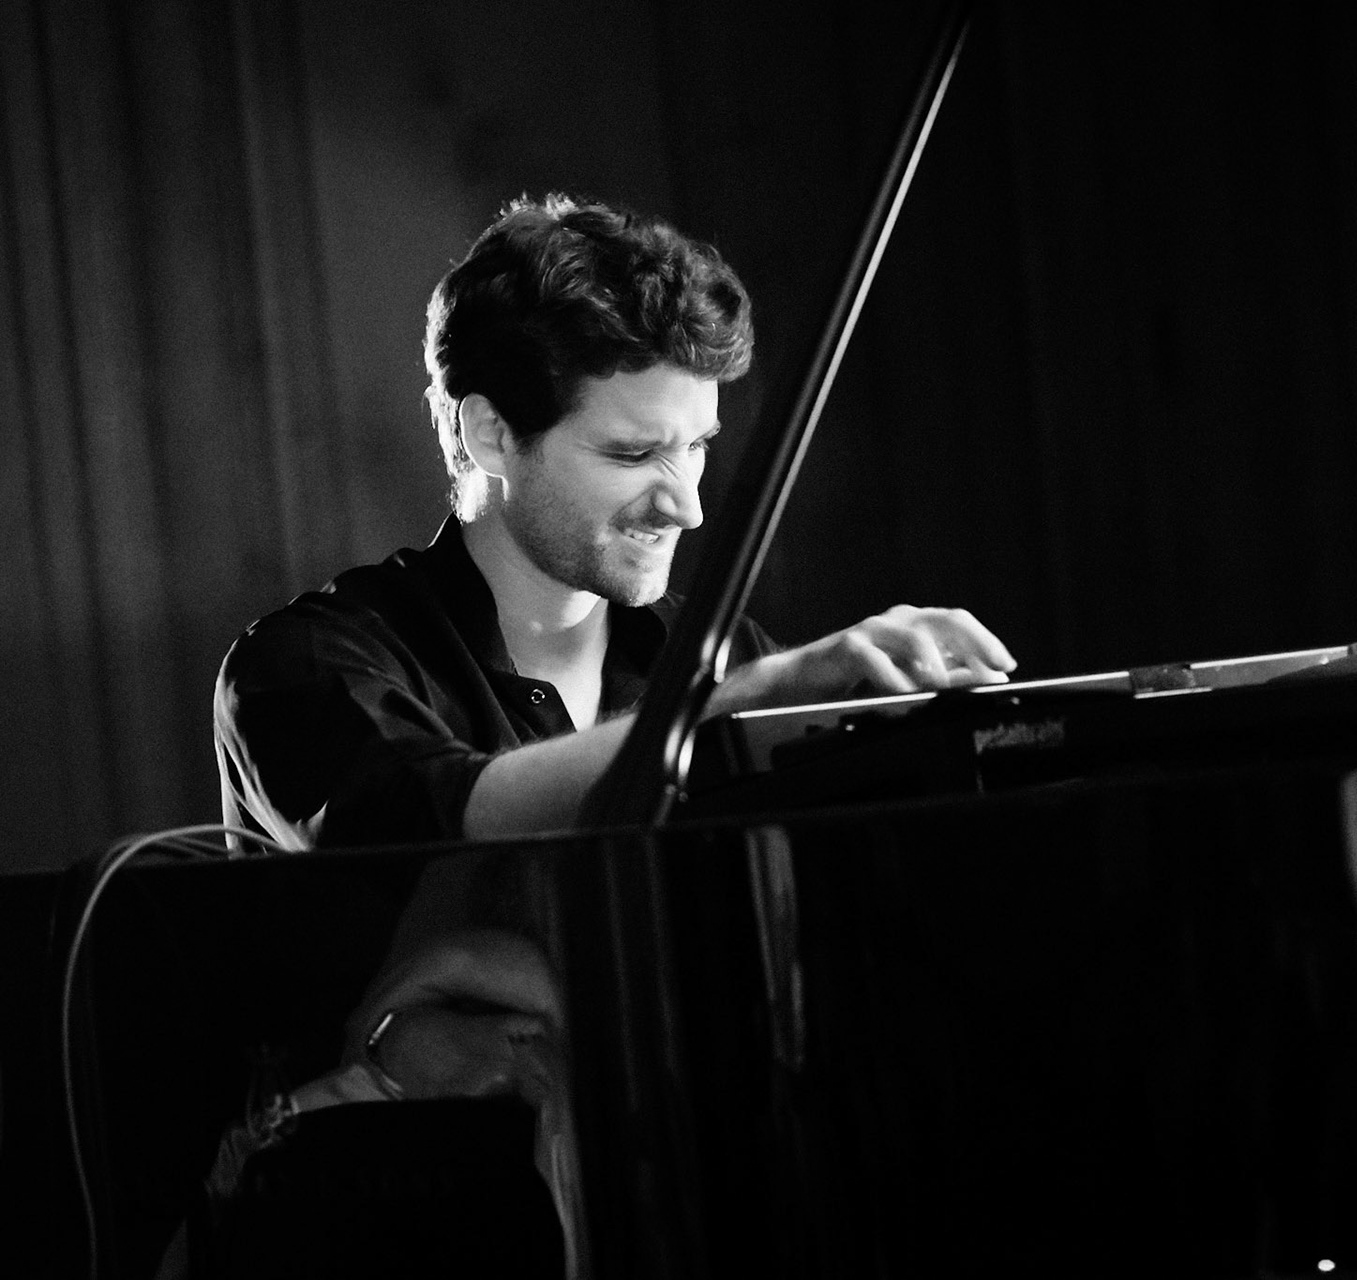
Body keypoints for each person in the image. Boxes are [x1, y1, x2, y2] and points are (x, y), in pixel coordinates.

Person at [193, 193, 1017, 1276]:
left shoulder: (709, 658)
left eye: (700, 448)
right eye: (633, 454)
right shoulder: (304, 665)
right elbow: (458, 819)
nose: (688, 506)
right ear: (490, 431)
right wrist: (741, 699)